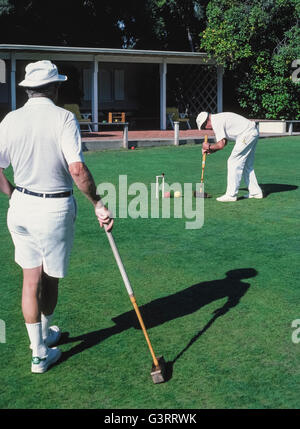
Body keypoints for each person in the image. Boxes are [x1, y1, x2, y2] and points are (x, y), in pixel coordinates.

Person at [0, 60, 113, 373]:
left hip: (21, 207)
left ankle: (40, 346)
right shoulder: (64, 117)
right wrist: (98, 203)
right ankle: (41, 349)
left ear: (28, 88)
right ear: (55, 87)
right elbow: (76, 169)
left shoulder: (10, 119)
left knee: (29, 280)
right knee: (49, 279)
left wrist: (14, 196)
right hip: (53, 209)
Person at [196, 111, 263, 202]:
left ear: (206, 121)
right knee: (247, 164)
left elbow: (221, 145)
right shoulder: (218, 118)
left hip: (247, 134)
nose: (206, 129)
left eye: (204, 127)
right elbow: (224, 142)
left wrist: (208, 147)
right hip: (252, 132)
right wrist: (211, 150)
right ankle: (256, 192)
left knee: (233, 161)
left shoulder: (216, 122)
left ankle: (231, 195)